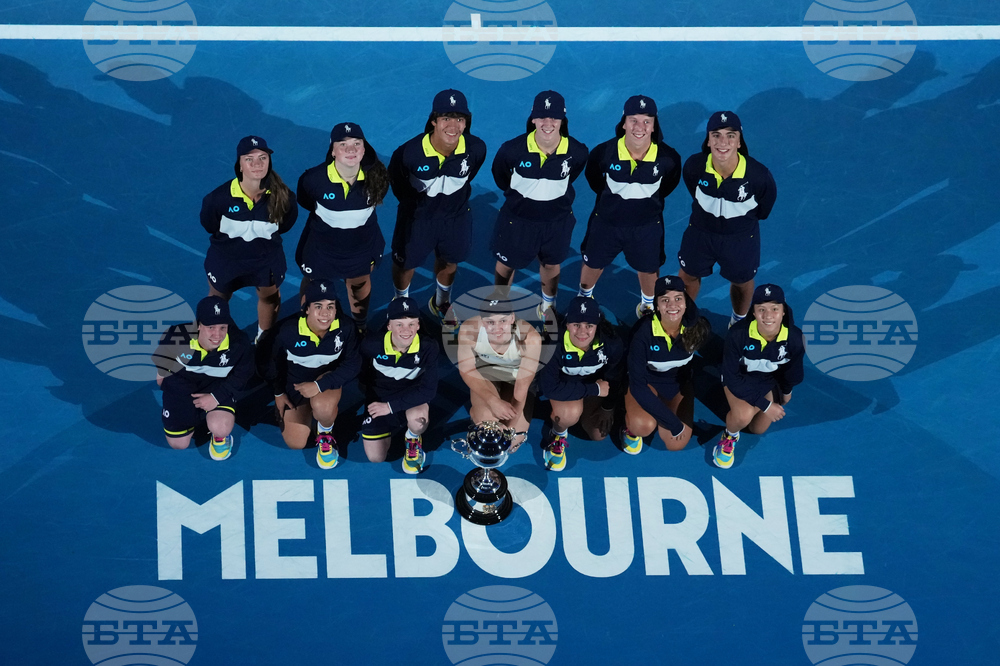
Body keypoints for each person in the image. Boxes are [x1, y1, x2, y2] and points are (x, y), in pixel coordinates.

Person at [578, 95, 682, 318]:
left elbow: (668, 185)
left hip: (647, 226)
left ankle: (647, 305)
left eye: (646, 121)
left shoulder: (669, 158)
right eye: (633, 120)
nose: (640, 127)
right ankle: (584, 298)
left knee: (648, 268)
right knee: (593, 263)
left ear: (654, 126)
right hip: (606, 223)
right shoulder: (603, 153)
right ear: (623, 122)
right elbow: (594, 179)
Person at [388, 89, 488, 320]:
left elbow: (467, 177)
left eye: (459, 119)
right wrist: (415, 209)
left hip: (456, 218)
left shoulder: (476, 149)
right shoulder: (408, 154)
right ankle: (401, 303)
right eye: (445, 118)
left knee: (450, 261)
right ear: (433, 120)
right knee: (405, 265)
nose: (452, 126)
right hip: (417, 219)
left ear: (466, 123)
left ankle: (441, 302)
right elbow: (398, 185)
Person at [490, 91, 588, 320]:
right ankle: (501, 305)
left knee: (551, 265)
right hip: (518, 221)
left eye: (554, 118)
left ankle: (547, 306)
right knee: (506, 265)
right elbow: (501, 177)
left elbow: (571, 176)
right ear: (533, 119)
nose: (547, 123)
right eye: (542, 117)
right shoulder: (512, 150)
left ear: (562, 121)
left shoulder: (577, 152)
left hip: (557, 223)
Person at [677, 111, 777, 328]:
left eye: (730, 135)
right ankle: (682, 318)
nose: (723, 142)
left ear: (740, 141)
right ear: (708, 140)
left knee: (742, 282)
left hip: (740, 238)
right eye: (716, 135)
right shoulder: (694, 166)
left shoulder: (759, 176)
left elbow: (764, 209)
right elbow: (694, 191)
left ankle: (738, 321)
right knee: (688, 275)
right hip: (700, 233)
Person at [200, 135, 297, 342]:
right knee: (218, 300)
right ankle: (217, 340)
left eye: (262, 158)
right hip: (225, 261)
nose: (257, 164)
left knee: (269, 298)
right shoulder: (217, 199)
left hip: (266, 261)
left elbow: (286, 225)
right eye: (249, 159)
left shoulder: (285, 197)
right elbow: (210, 224)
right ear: (240, 165)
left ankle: (263, 340)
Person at [296, 123, 390, 332]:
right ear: (332, 150)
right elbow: (307, 202)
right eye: (343, 144)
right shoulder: (312, 180)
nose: (350, 150)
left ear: (364, 149)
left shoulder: (378, 179)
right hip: (321, 249)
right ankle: (307, 322)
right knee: (313, 284)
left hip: (361, 249)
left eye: (357, 144)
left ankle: (359, 325)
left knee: (358, 284)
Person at [264, 279, 360, 469]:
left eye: (330, 306)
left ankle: (325, 432)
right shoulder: (286, 331)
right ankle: (301, 411)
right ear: (306, 308)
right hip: (294, 385)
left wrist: (318, 386)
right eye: (318, 306)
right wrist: (278, 393)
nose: (325, 313)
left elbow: (353, 364)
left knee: (323, 408)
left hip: (325, 382)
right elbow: (268, 362)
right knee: (296, 442)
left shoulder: (346, 328)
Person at [714, 283, 804, 469]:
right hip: (739, 378)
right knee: (742, 416)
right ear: (753, 312)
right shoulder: (738, 334)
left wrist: (786, 391)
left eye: (774, 309)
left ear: (783, 311)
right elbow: (731, 376)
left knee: (757, 429)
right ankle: (729, 436)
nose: (768, 315)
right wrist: (765, 404)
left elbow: (793, 371)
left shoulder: (795, 338)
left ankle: (741, 410)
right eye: (761, 309)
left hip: (767, 382)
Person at [155, 296, 253, 461]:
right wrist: (171, 389)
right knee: (178, 444)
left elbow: (243, 375)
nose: (217, 334)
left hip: (216, 387)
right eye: (211, 327)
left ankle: (218, 433)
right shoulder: (176, 336)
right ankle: (192, 415)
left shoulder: (239, 344)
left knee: (220, 427)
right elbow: (162, 361)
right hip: (182, 386)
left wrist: (216, 397)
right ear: (199, 325)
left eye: (223, 327)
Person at [622, 276, 711, 455]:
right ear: (656, 305)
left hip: (678, 384)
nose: (672, 305)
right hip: (646, 382)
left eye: (678, 298)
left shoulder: (698, 328)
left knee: (675, 444)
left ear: (686, 303)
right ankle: (630, 428)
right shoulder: (642, 334)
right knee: (643, 425)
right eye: (665, 300)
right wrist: (673, 423)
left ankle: (660, 411)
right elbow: (638, 387)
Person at [537, 296, 624, 471]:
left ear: (597, 325)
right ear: (567, 324)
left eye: (589, 326)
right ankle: (558, 434)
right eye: (576, 324)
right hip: (570, 387)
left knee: (598, 434)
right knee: (568, 414)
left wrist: (608, 407)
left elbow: (616, 377)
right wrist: (593, 389)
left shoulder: (611, 343)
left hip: (595, 390)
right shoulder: (554, 344)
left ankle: (624, 419)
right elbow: (549, 387)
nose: (582, 331)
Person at [358, 297, 439, 474]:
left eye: (411, 324)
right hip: (380, 399)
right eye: (399, 324)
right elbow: (362, 374)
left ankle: (413, 438)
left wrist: (390, 407)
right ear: (389, 326)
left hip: (413, 397)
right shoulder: (371, 345)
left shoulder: (429, 347)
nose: (406, 330)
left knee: (418, 421)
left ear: (418, 325)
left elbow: (428, 390)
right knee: (375, 457)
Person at [456, 291, 543, 453]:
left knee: (512, 443)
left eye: (503, 321)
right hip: (487, 373)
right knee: (486, 424)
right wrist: (492, 401)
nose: (497, 328)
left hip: (517, 379)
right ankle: (477, 411)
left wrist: (508, 431)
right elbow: (467, 369)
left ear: (512, 318)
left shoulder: (530, 339)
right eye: (490, 322)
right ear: (482, 322)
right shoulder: (469, 331)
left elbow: (521, 389)